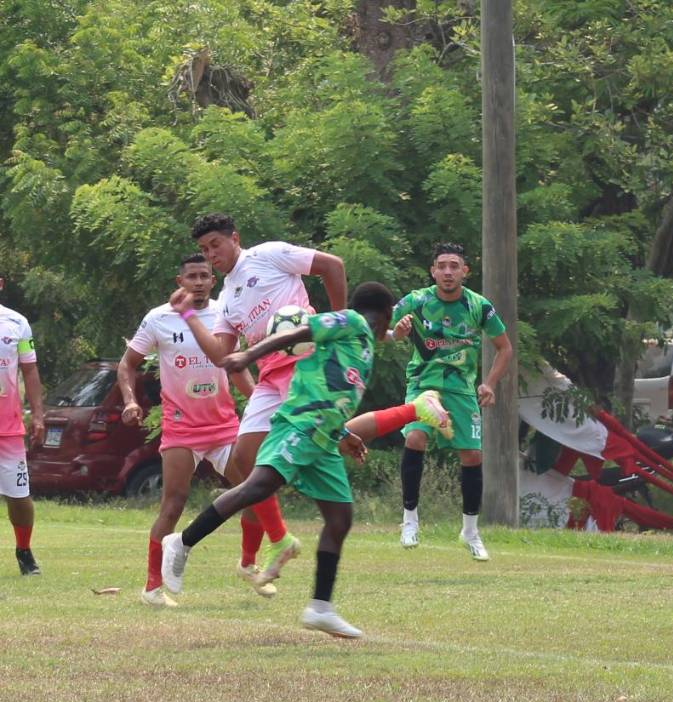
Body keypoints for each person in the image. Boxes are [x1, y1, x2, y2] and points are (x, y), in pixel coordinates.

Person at [160, 283, 451, 639]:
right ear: (386, 311)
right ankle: (182, 542)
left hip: (324, 439)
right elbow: (301, 331)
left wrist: (345, 435)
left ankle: (320, 607)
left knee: (340, 518)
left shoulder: (364, 341)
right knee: (258, 486)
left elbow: (334, 389)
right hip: (298, 424)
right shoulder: (352, 321)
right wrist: (246, 357)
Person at [181, 212, 349, 587]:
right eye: (204, 250)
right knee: (242, 461)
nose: (211, 254)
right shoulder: (226, 298)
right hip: (269, 376)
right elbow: (224, 357)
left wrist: (339, 322)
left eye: (215, 245)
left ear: (234, 238)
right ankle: (280, 539)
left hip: (302, 362)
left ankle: (403, 414)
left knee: (325, 442)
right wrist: (190, 316)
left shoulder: (269, 255)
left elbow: (332, 266)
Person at [118, 254, 275, 607]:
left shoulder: (225, 314)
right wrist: (130, 400)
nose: (200, 281)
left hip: (224, 427)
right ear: (180, 281)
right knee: (172, 505)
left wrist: (260, 400)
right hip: (181, 429)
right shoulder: (158, 319)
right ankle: (152, 588)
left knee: (256, 491)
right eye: (192, 276)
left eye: (205, 275)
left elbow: (235, 366)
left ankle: (248, 563)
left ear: (213, 281)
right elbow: (127, 365)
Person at [392, 243, 512, 561]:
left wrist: (489, 383)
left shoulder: (478, 306)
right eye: (441, 265)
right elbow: (383, 331)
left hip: (461, 389)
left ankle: (470, 531)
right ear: (432, 271)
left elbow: (505, 348)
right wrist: (398, 333)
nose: (447, 271)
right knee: (416, 437)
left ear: (464, 271)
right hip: (423, 385)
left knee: (472, 455)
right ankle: (409, 521)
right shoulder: (416, 301)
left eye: (454, 265)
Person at [0, 276, 45, 575]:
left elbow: (29, 371)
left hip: (8, 428)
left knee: (19, 497)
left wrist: (38, 415)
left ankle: (24, 551)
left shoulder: (17, 323)